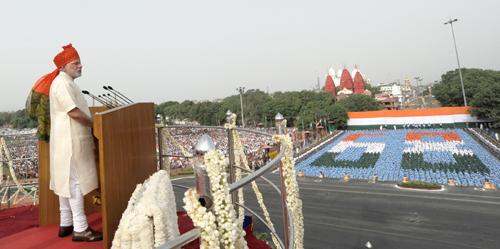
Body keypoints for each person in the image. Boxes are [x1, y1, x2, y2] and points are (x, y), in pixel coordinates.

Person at [35, 44, 102, 242]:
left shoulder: (64, 82)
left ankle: (66, 223)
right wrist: (95, 125)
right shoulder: (62, 84)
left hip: (67, 140)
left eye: (80, 62)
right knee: (74, 182)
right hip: (70, 142)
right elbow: (73, 112)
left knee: (65, 182)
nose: (81, 66)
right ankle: (80, 228)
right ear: (63, 66)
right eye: (76, 63)